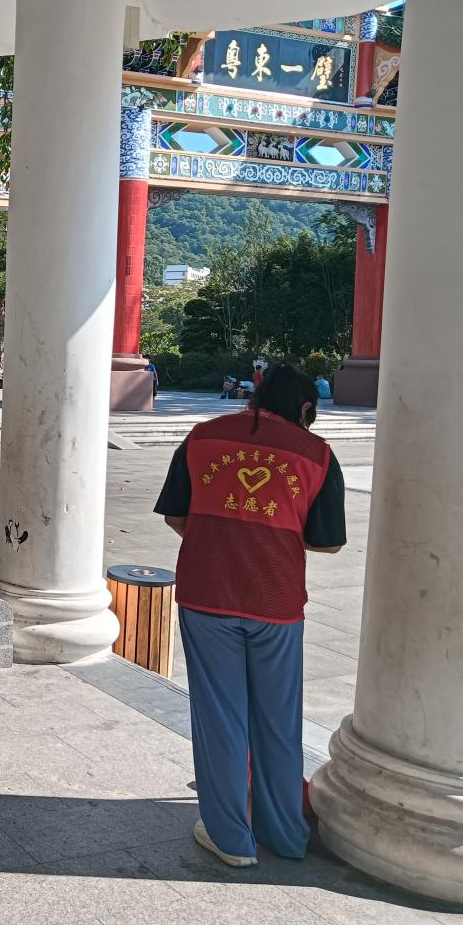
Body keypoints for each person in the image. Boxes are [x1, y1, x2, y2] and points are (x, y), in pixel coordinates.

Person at [154, 364, 346, 867]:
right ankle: (285, 836)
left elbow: (176, 515)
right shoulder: (318, 455)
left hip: (206, 596)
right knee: (278, 722)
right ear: (306, 408)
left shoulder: (202, 438)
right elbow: (329, 542)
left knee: (220, 717)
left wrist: (221, 539)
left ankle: (231, 840)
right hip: (277, 605)